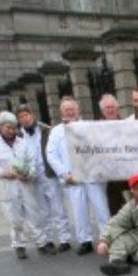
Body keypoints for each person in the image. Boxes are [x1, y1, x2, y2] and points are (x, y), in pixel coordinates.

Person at [45, 96, 110, 254]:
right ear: (61, 111)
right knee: (78, 210)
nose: (70, 111)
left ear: (78, 110)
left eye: (72, 108)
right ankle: (85, 240)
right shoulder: (56, 131)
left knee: (101, 208)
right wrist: (64, 173)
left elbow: (99, 148)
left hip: (91, 176)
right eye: (66, 109)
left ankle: (107, 238)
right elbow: (51, 154)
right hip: (71, 178)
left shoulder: (88, 127)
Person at [0, 110, 46, 260]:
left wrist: (29, 173)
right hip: (8, 186)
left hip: (25, 185)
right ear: (0, 127)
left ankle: (41, 243)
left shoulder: (22, 142)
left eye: (13, 127)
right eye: (7, 127)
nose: (11, 130)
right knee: (14, 219)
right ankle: (19, 245)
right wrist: (4, 172)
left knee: (34, 215)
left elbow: (32, 163)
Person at [15, 104, 72, 254]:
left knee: (58, 207)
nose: (24, 119)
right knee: (42, 211)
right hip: (33, 177)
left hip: (49, 173)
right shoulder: (18, 136)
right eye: (21, 117)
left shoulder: (46, 129)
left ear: (32, 115)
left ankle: (64, 238)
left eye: (26, 115)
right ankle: (47, 239)